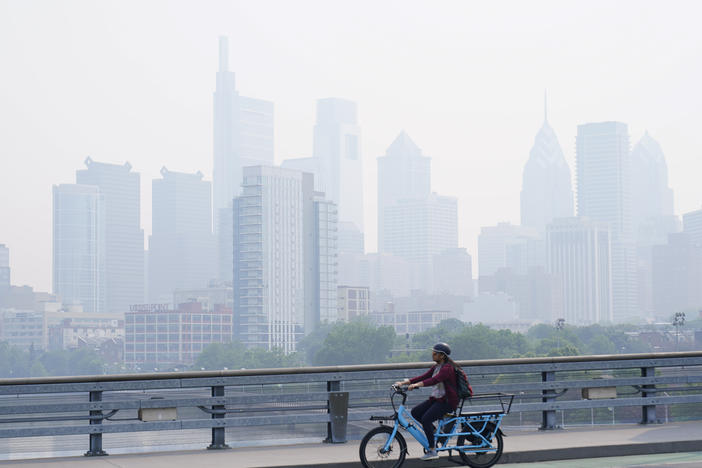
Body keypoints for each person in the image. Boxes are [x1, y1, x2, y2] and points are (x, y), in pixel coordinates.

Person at [393, 342, 459, 461]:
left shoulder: (447, 368)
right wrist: (404, 383)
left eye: (435, 353)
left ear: (442, 356)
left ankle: (432, 450)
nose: (432, 354)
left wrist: (416, 385)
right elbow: (424, 377)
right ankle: (436, 433)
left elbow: (434, 380)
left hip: (447, 402)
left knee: (426, 419)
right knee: (415, 412)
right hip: (437, 399)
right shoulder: (436, 367)